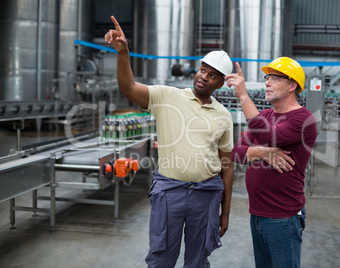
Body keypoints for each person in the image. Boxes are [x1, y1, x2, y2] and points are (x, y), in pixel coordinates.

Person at [104, 16, 234, 268]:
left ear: (220, 83)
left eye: (213, 75)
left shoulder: (223, 116)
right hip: (169, 192)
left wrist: (225, 213)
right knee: (161, 257)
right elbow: (128, 88)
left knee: (198, 259)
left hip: (206, 195)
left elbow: (227, 167)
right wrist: (123, 53)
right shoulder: (168, 96)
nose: (204, 77)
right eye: (203, 70)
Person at [227, 57, 317, 268]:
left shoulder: (304, 119)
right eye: (267, 77)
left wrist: (243, 96)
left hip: (283, 217)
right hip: (256, 213)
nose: (267, 82)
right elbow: (235, 153)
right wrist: (262, 153)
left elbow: (269, 137)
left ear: (292, 85)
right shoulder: (265, 115)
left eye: (275, 78)